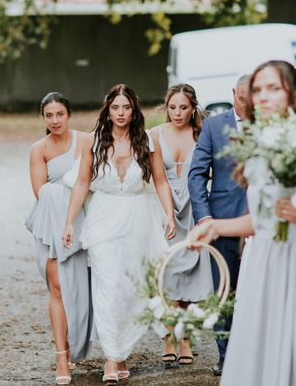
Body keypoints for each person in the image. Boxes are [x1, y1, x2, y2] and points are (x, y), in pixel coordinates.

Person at [188, 61, 296, 385]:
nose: (262, 96)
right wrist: (215, 227)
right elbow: (261, 221)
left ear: (295, 96)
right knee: (260, 356)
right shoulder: (255, 147)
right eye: (257, 89)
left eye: (273, 88)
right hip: (261, 262)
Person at [62, 84, 176, 383]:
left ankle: (121, 353)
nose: (121, 113)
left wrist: (169, 213)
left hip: (139, 219)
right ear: (107, 110)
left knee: (132, 287)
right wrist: (69, 222)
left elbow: (161, 182)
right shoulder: (94, 142)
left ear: (133, 110)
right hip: (104, 219)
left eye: (126, 108)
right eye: (116, 108)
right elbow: (81, 183)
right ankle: (112, 358)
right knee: (108, 286)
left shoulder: (148, 140)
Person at [26, 92, 93, 385]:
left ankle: (103, 349)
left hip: (84, 221)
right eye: (49, 116)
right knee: (57, 288)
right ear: (43, 118)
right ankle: (61, 356)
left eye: (60, 114)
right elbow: (40, 191)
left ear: (69, 114)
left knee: (88, 286)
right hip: (52, 222)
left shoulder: (86, 141)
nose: (55, 121)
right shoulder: (38, 149)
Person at [187, 74, 250, 375]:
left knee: (257, 291)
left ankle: (258, 352)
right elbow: (196, 174)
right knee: (225, 291)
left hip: (263, 225)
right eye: (242, 98)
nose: (247, 104)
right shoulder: (213, 126)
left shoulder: (273, 127)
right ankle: (227, 356)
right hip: (222, 219)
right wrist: (205, 217)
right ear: (233, 93)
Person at [150, 84, 213, 366]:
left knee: (191, 270)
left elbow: (210, 172)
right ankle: (168, 335)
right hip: (166, 205)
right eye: (173, 107)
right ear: (166, 107)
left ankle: (185, 335)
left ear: (193, 108)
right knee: (167, 271)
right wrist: (167, 212)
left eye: (183, 107)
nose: (177, 113)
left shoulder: (202, 133)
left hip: (195, 203)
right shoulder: (156, 134)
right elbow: (158, 178)